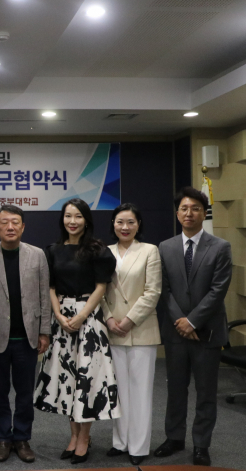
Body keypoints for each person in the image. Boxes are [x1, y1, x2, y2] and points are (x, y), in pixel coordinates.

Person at [33, 198, 119, 465]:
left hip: (89, 319)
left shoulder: (98, 250)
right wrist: (58, 316)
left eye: (78, 216)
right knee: (67, 381)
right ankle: (73, 437)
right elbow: (50, 287)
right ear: (62, 219)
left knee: (87, 381)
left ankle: (84, 439)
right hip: (61, 321)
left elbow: (101, 287)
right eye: (68, 216)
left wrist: (81, 316)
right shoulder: (53, 250)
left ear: (86, 221)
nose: (72, 221)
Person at [154, 187, 232, 467]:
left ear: (204, 212)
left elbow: (218, 290)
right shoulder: (165, 247)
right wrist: (181, 322)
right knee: (175, 388)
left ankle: (201, 444)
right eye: (184, 208)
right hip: (176, 332)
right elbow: (164, 289)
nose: (189, 213)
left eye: (196, 208)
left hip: (207, 332)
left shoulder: (220, 247)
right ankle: (174, 438)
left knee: (206, 392)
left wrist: (193, 321)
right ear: (177, 213)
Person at [0, 205, 51, 464]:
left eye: (15, 222)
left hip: (28, 337)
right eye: (4, 222)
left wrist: (44, 331)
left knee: (25, 392)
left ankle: (22, 437)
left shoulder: (37, 255)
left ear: (23, 226)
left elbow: (44, 297)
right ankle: (3, 439)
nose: (10, 227)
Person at [101, 203, 162, 465]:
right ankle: (120, 440)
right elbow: (99, 290)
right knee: (118, 390)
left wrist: (128, 320)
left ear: (138, 225)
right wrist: (108, 317)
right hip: (112, 328)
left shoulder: (150, 251)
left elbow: (153, 292)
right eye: (119, 222)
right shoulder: (105, 252)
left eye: (130, 222)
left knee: (140, 391)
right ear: (113, 224)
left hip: (140, 329)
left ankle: (138, 445)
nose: (125, 227)